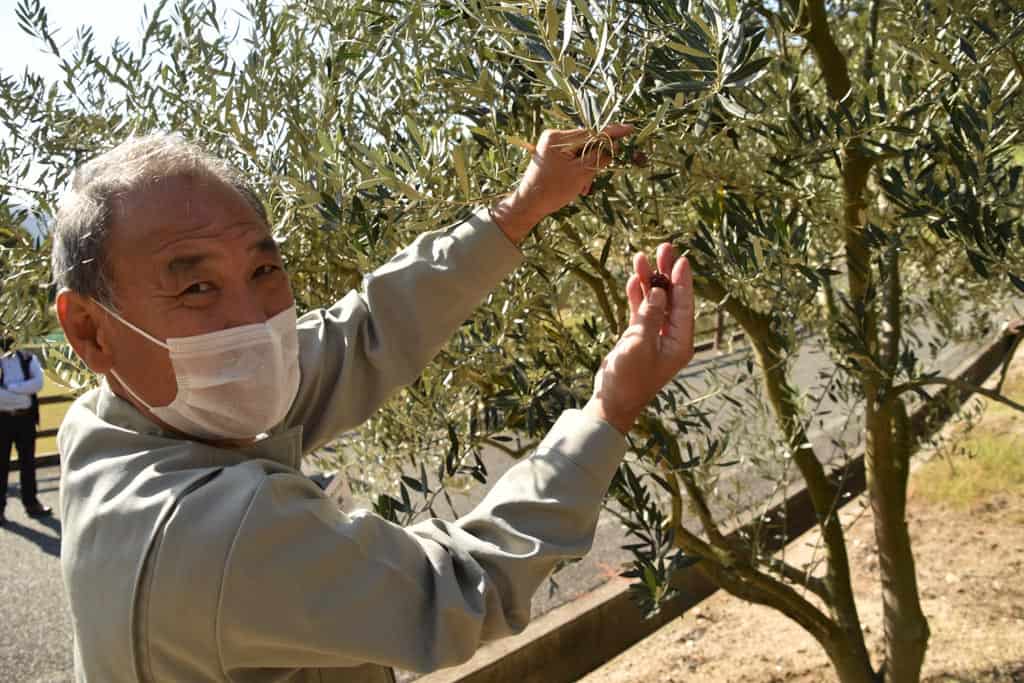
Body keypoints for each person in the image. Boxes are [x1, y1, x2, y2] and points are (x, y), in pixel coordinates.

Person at [52, 126, 695, 683]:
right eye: (196, 287)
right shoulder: (218, 532)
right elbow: (462, 592)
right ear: (89, 329)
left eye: (263, 272)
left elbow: (360, 338)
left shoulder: (108, 424)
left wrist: (521, 207)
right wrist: (610, 410)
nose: (252, 321)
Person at [0, 336, 52, 526]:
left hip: (25, 420)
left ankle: (31, 504)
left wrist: (10, 388)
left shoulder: (28, 358)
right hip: (2, 420)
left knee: (28, 463)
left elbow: (38, 384)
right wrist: (22, 393)